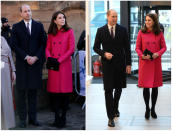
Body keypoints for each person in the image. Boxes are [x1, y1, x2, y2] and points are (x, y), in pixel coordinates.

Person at [93, 9, 131, 127]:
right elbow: (95, 47)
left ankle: (115, 108)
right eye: (113, 16)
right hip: (108, 65)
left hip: (120, 64)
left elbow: (127, 49)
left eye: (116, 16)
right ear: (108, 16)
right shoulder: (101, 31)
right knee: (108, 90)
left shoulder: (123, 30)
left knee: (118, 89)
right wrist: (104, 54)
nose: (115, 18)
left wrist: (128, 64)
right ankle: (110, 117)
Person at [11, 4, 47, 128]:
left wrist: (36, 57)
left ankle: (33, 119)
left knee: (33, 94)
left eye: (29, 11)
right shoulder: (16, 27)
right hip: (22, 64)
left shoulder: (39, 25)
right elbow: (14, 45)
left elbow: (43, 43)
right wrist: (26, 57)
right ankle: (22, 120)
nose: (28, 13)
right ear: (21, 13)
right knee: (21, 95)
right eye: (25, 11)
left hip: (35, 65)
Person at [45, 11, 75, 128]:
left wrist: (59, 60)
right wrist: (50, 58)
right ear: (54, 20)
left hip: (64, 66)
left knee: (64, 94)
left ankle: (63, 117)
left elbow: (71, 49)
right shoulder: (51, 34)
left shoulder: (69, 31)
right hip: (54, 67)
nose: (62, 19)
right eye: (60, 18)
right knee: (54, 94)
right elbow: (47, 48)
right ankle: (56, 117)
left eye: (63, 17)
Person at [135, 13, 166, 119]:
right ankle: (147, 108)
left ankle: (153, 109)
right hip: (145, 63)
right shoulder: (141, 32)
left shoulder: (159, 33)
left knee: (155, 87)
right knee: (146, 87)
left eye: (149, 20)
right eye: (146, 20)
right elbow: (137, 48)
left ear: (154, 22)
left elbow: (164, 47)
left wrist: (158, 53)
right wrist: (142, 56)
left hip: (156, 63)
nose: (147, 22)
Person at [1, 36, 16, 130]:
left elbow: (9, 53)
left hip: (5, 71)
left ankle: (5, 125)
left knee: (5, 98)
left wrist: (13, 70)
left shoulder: (2, 38)